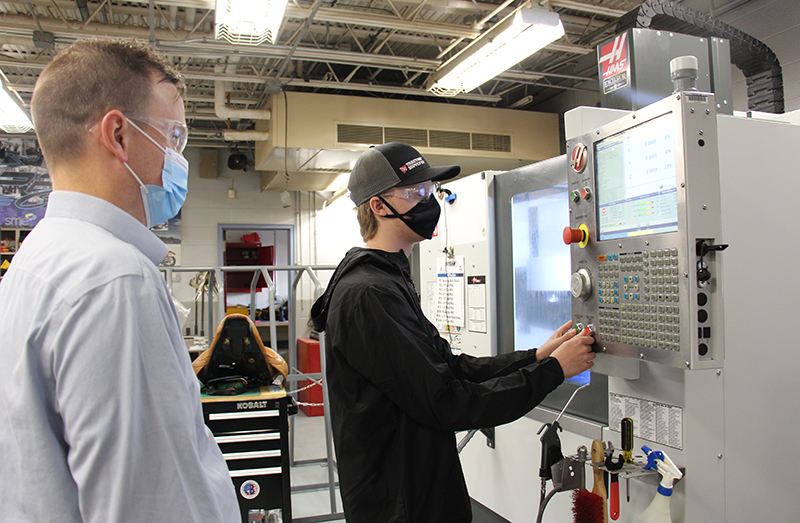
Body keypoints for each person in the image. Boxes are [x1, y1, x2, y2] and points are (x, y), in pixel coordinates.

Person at [0, 39, 239, 522]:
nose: (178, 158)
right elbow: (151, 504)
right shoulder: (115, 281)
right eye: (175, 137)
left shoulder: (35, 262)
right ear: (119, 135)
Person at [310, 142, 596, 523]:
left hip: (417, 490)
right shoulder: (369, 293)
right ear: (378, 206)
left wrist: (536, 356)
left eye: (430, 192)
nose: (430, 202)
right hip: (401, 503)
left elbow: (449, 366)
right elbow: (446, 401)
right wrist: (553, 372)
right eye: (416, 193)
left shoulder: (388, 278)